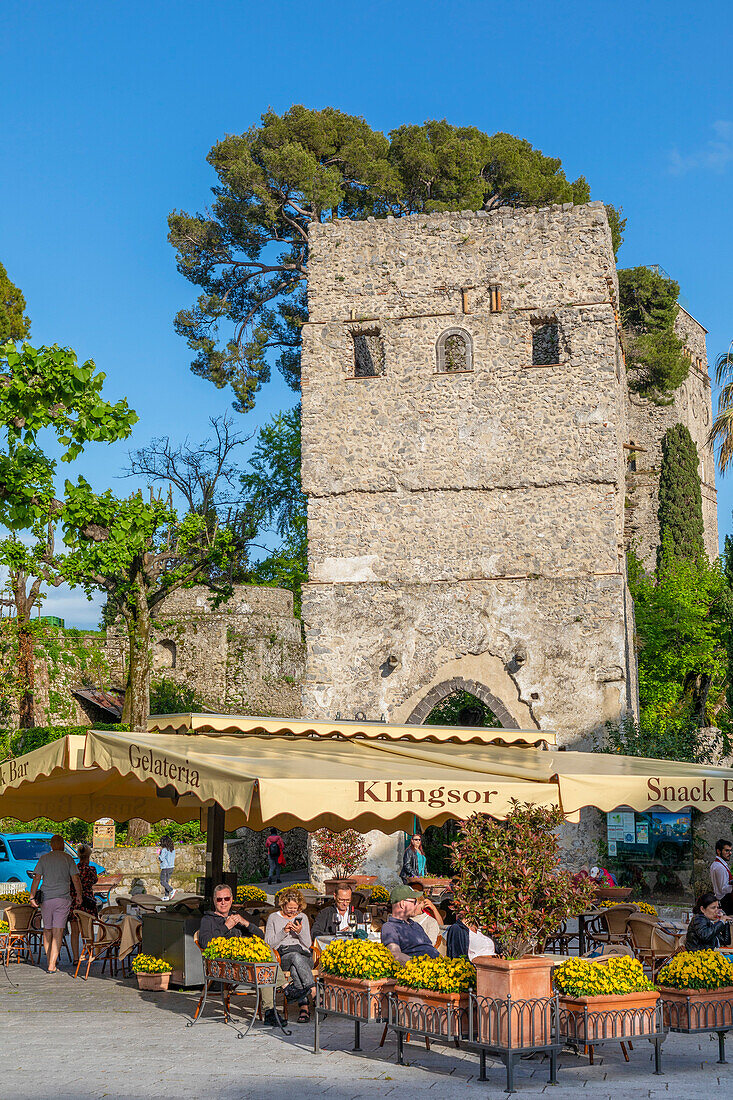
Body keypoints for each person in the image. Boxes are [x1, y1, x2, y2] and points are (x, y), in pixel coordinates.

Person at [199, 883, 283, 1026]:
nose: (223, 902)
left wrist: (245, 923)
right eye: (219, 899)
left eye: (226, 898)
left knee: (263, 953)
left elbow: (260, 935)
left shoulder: (236, 916)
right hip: (223, 964)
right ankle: (282, 990)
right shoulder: (208, 919)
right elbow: (205, 943)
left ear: (231, 899)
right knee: (263, 963)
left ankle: (270, 1009)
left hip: (244, 962)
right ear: (214, 901)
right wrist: (226, 927)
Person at [28, 835, 82, 973]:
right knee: (58, 931)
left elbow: (36, 878)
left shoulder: (44, 858)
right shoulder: (68, 858)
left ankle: (51, 960)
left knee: (47, 930)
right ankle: (52, 964)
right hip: (63, 899)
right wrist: (79, 895)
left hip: (46, 899)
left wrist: (32, 896)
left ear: (51, 845)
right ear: (63, 845)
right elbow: (75, 878)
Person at [265, 888, 315, 1022]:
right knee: (294, 957)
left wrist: (300, 932)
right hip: (284, 956)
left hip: (304, 956)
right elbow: (268, 944)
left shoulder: (302, 917)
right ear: (283, 905)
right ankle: (313, 991)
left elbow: (308, 943)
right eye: (290, 908)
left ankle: (304, 1008)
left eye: (296, 908)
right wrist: (284, 931)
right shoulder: (274, 918)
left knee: (295, 967)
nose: (293, 911)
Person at [380, 885, 440, 963]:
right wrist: (422, 965)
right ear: (402, 904)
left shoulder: (416, 925)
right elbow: (395, 955)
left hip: (439, 966)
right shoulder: (390, 927)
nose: (416, 905)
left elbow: (429, 948)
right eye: (414, 902)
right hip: (421, 970)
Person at [69, 844, 99, 963]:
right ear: (89, 856)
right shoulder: (91, 870)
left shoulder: (74, 869)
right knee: (88, 929)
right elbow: (94, 880)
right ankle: (89, 953)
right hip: (87, 902)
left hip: (74, 900)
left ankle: (76, 957)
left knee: (74, 931)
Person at [710, 839, 733, 915]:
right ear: (718, 851)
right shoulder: (720, 867)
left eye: (730, 850)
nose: (730, 853)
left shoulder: (718, 864)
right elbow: (723, 889)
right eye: (726, 851)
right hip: (725, 901)